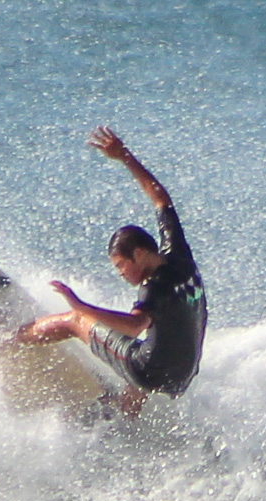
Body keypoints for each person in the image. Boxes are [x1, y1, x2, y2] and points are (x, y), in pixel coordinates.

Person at [16, 126, 207, 415]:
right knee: (153, 343)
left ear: (140, 254)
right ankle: (125, 416)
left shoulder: (153, 287)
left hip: (151, 373)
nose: (120, 273)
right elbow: (160, 199)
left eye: (121, 265)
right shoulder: (178, 254)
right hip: (183, 376)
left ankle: (11, 341)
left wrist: (81, 308)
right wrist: (125, 157)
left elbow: (133, 325)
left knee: (74, 321)